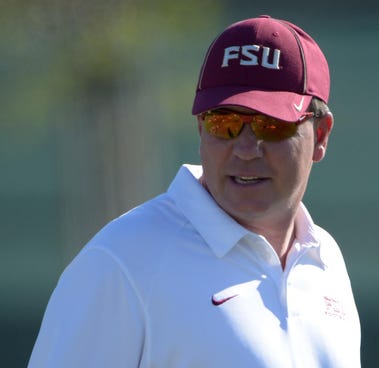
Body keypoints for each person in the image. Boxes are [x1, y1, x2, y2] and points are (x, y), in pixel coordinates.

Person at [28, 15, 361, 368]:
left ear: (320, 135)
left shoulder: (324, 259)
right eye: (224, 122)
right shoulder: (122, 261)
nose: (246, 148)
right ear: (201, 128)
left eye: (271, 125)